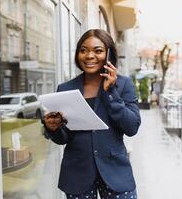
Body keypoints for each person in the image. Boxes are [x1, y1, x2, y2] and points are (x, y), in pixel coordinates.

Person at [42, 29, 141, 199]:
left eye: (98, 50)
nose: (89, 56)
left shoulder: (123, 84)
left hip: (115, 173)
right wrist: (53, 129)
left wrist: (111, 92)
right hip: (77, 174)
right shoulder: (65, 89)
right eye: (83, 50)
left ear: (109, 54)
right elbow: (64, 138)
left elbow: (131, 127)